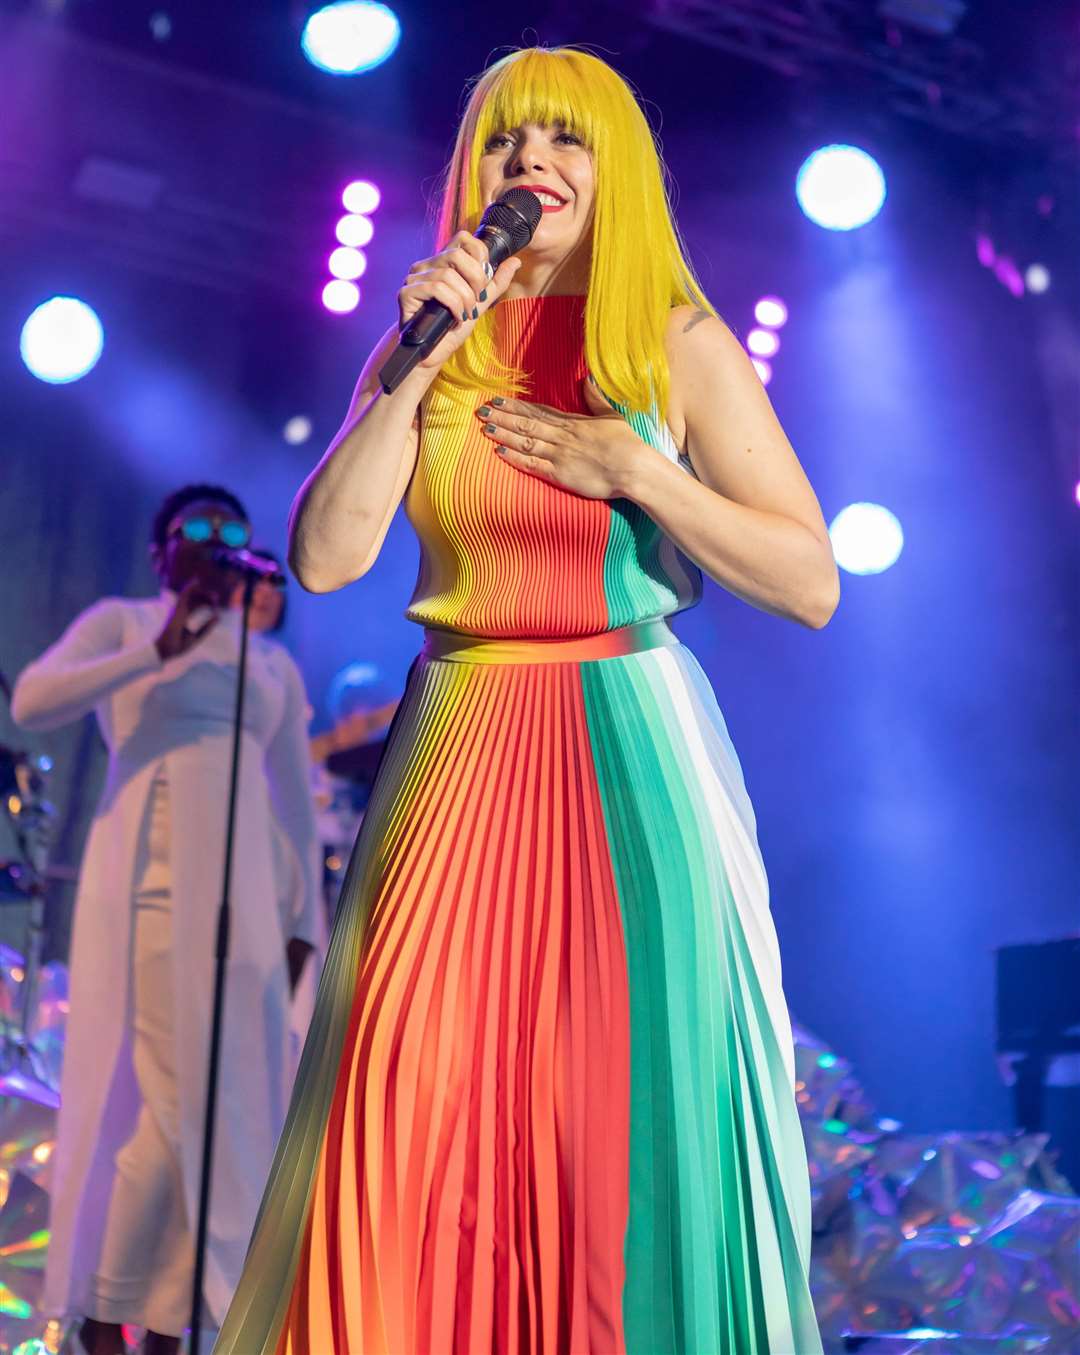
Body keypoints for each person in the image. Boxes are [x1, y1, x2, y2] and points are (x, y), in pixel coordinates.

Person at [215, 46, 837, 1355]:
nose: (531, 165)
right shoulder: (429, 332)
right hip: (456, 747)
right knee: (407, 1094)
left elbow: (809, 579)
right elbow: (326, 554)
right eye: (505, 141)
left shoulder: (674, 337)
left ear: (617, 170)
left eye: (566, 139)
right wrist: (417, 359)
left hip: (627, 747)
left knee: (613, 1113)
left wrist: (642, 472)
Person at [12, 486, 322, 1355]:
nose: (220, 543)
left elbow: (293, 804)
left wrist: (304, 927)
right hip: (152, 887)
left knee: (229, 1106)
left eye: (235, 531)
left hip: (250, 902)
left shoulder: (266, 663)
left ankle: (159, 1313)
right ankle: (124, 1309)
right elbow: (36, 699)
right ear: (162, 550)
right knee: (170, 1099)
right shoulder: (125, 622)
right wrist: (155, 649)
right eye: (201, 529)